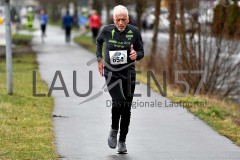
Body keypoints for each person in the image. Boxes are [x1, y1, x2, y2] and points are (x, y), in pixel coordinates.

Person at [96, 5, 144, 153]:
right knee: (119, 102)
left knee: (127, 108)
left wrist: (137, 55)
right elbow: (99, 42)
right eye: (118, 20)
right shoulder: (106, 30)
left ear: (128, 19)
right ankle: (113, 129)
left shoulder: (134, 32)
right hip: (112, 74)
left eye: (124, 20)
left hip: (128, 74)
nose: (121, 23)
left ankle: (122, 141)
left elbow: (141, 51)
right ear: (114, 19)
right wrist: (99, 59)